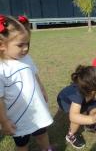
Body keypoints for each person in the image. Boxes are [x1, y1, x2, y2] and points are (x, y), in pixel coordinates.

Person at [0, 15, 54, 151]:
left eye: (27, 44)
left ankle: (46, 148)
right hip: (17, 116)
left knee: (42, 133)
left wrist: (42, 90)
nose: (25, 49)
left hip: (37, 109)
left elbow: (34, 75)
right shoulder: (2, 68)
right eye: (20, 45)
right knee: (22, 143)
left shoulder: (27, 59)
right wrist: (4, 121)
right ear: (2, 45)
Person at [57, 65, 96, 149]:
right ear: (93, 87)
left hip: (84, 98)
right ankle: (70, 135)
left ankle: (89, 126)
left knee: (95, 108)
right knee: (77, 119)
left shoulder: (90, 88)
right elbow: (74, 117)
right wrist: (91, 119)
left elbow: (91, 98)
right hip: (66, 102)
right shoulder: (78, 95)